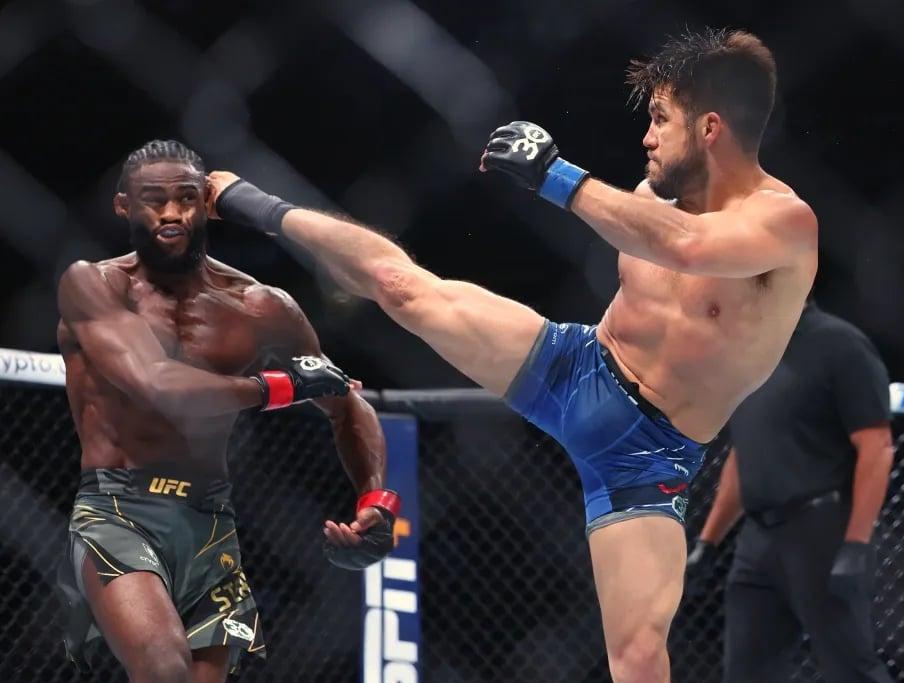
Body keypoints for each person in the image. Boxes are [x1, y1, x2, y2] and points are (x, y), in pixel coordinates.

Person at [209, 27, 817, 683]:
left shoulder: (785, 223)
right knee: (404, 288)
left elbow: (691, 248)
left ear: (710, 129)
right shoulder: (646, 198)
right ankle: (253, 201)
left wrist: (555, 176)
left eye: (661, 120)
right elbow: (652, 231)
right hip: (576, 363)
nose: (647, 136)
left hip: (647, 450)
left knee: (638, 656)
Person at [56, 140, 401, 683]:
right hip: (117, 510)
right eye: (153, 200)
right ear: (124, 206)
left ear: (206, 204)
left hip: (209, 519)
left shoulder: (262, 307)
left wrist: (375, 499)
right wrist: (277, 387)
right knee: (162, 666)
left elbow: (344, 401)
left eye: (186, 198)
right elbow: (155, 382)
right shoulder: (94, 285)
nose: (171, 213)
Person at [685, 300, 894, 683]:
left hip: (821, 531)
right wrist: (709, 542)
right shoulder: (750, 355)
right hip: (757, 539)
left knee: (851, 670)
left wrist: (856, 544)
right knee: (746, 674)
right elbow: (744, 455)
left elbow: (877, 445)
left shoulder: (839, 343)